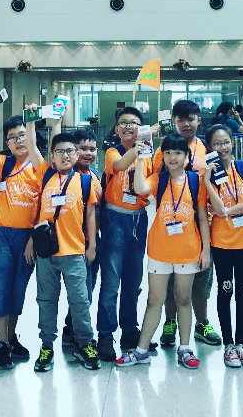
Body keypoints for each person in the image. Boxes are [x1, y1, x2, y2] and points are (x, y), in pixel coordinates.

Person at [117, 134, 210, 369]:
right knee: (154, 301)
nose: (172, 157)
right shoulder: (159, 179)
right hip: (159, 250)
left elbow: (202, 217)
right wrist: (140, 158)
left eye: (178, 152)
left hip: (188, 250)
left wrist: (206, 251)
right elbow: (140, 188)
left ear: (187, 156)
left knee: (184, 300)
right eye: (168, 153)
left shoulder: (195, 181)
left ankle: (185, 348)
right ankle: (141, 351)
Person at [0, 105, 48, 369]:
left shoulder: (41, 167)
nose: (18, 141)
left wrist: (32, 239)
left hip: (28, 238)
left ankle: (10, 337)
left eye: (22, 135)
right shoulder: (3, 163)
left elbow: (45, 206)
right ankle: (2, 343)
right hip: (0, 236)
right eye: (12, 138)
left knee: (18, 290)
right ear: (6, 143)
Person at [29, 132, 102, 372]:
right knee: (46, 300)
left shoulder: (85, 181)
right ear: (51, 156)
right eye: (60, 151)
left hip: (74, 252)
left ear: (77, 154)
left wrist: (92, 245)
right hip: (46, 253)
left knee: (80, 300)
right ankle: (46, 345)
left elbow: (90, 215)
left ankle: (85, 343)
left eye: (70, 151)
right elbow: (32, 146)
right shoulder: (45, 175)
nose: (65, 156)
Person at [152, 99, 220, 348]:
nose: (186, 124)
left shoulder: (207, 149)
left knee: (202, 277)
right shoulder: (163, 150)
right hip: (171, 225)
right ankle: (170, 322)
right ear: (174, 122)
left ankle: (202, 323)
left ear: (198, 120)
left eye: (190, 119)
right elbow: (154, 181)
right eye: (181, 120)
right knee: (171, 279)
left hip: (202, 222)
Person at [202, 124, 243, 369]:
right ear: (210, 147)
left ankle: (241, 343)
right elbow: (214, 208)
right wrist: (207, 182)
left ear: (233, 143)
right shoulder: (209, 174)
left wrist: (228, 211)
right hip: (222, 241)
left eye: (226, 142)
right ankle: (228, 345)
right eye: (217, 143)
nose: (222, 147)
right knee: (225, 289)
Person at [95, 107, 151, 362]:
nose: (129, 126)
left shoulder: (148, 156)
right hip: (115, 219)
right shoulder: (112, 152)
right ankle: (106, 335)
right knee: (111, 281)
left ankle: (130, 330)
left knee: (133, 281)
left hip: (139, 220)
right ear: (117, 129)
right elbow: (119, 166)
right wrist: (138, 148)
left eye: (134, 123)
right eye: (124, 123)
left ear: (141, 128)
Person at [60, 128, 102, 348]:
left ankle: (72, 328)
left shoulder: (94, 175)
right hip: (77, 242)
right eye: (83, 148)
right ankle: (77, 334)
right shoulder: (68, 175)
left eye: (92, 149)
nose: (88, 153)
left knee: (88, 289)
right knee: (81, 292)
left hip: (93, 240)